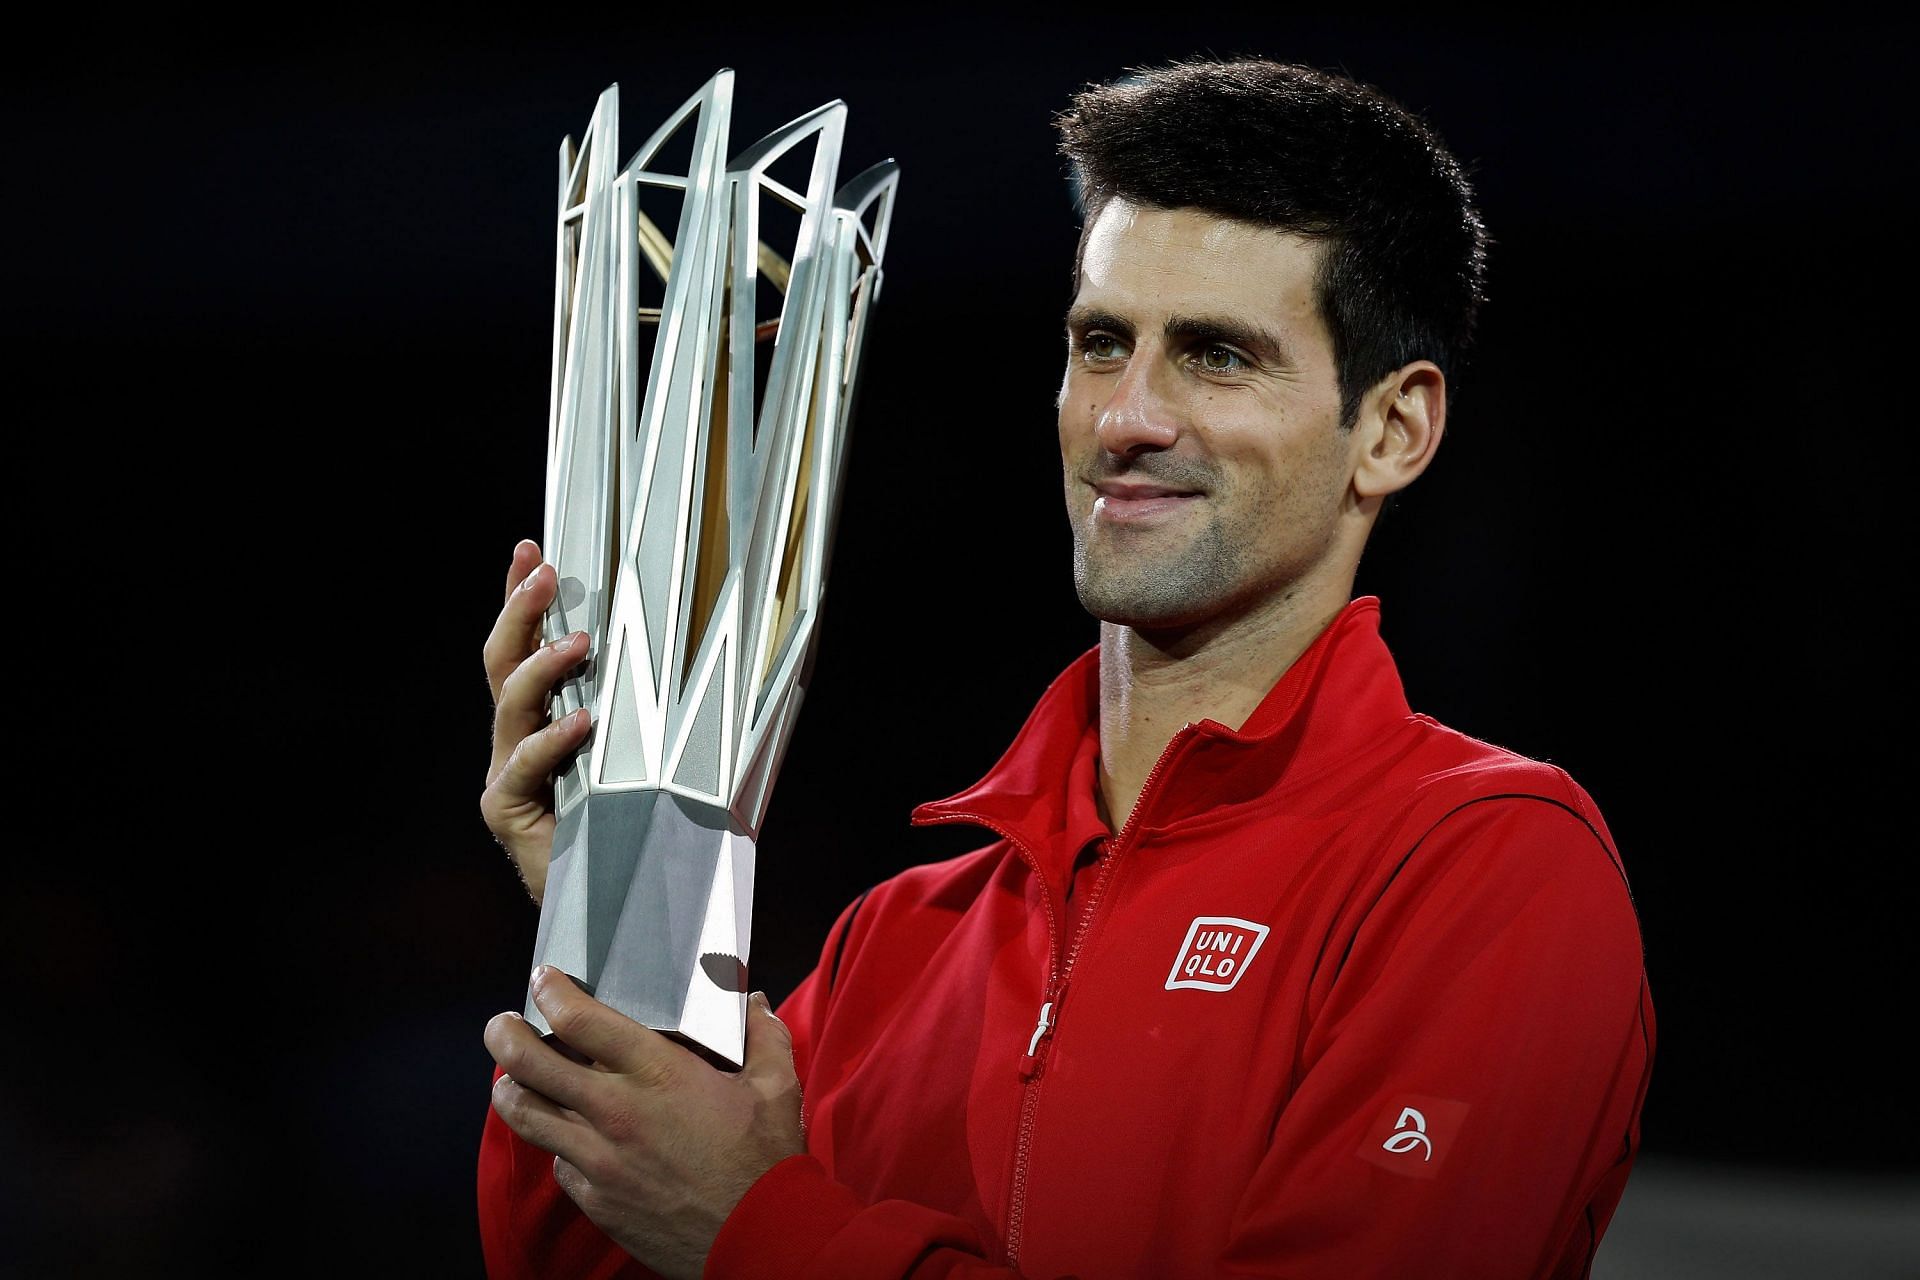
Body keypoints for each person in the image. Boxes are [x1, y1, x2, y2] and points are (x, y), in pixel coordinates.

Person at [476, 58, 1655, 1280]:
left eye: (1216, 356)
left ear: (1392, 429)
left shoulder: (1485, 865)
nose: (1126, 416)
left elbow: (734, 1232)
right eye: (1102, 342)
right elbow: (595, 1257)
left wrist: (767, 1227)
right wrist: (619, 889)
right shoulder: (902, 941)